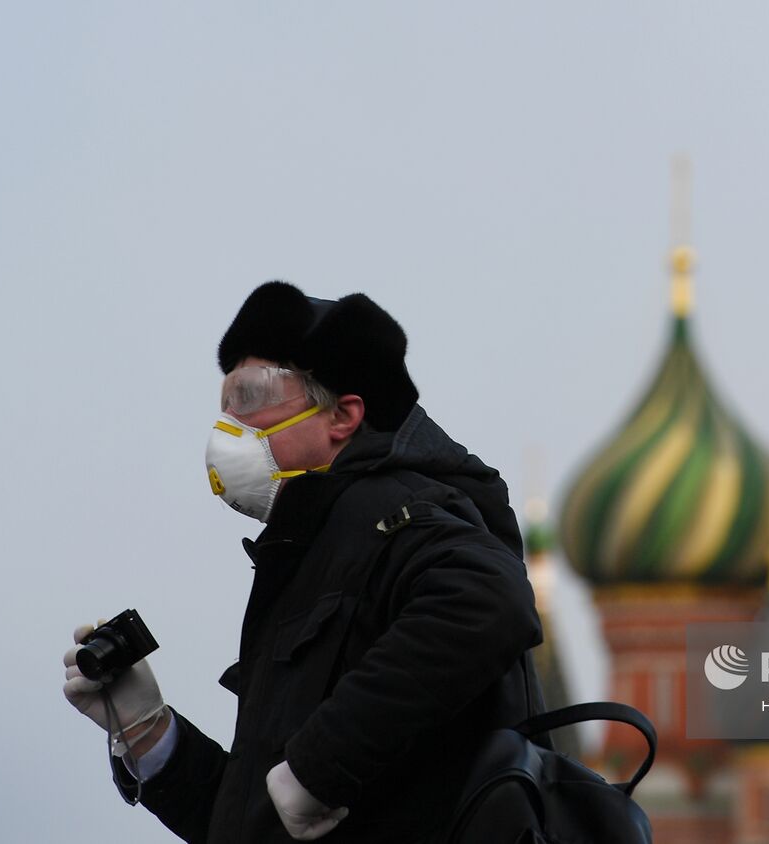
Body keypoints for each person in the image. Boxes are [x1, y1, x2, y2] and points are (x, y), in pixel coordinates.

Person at [62, 281, 544, 842]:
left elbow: (490, 601)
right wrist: (150, 734)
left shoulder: (392, 510)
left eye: (252, 398)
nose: (229, 431)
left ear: (342, 415)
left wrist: (319, 767)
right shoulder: (313, 554)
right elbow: (259, 821)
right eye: (225, 405)